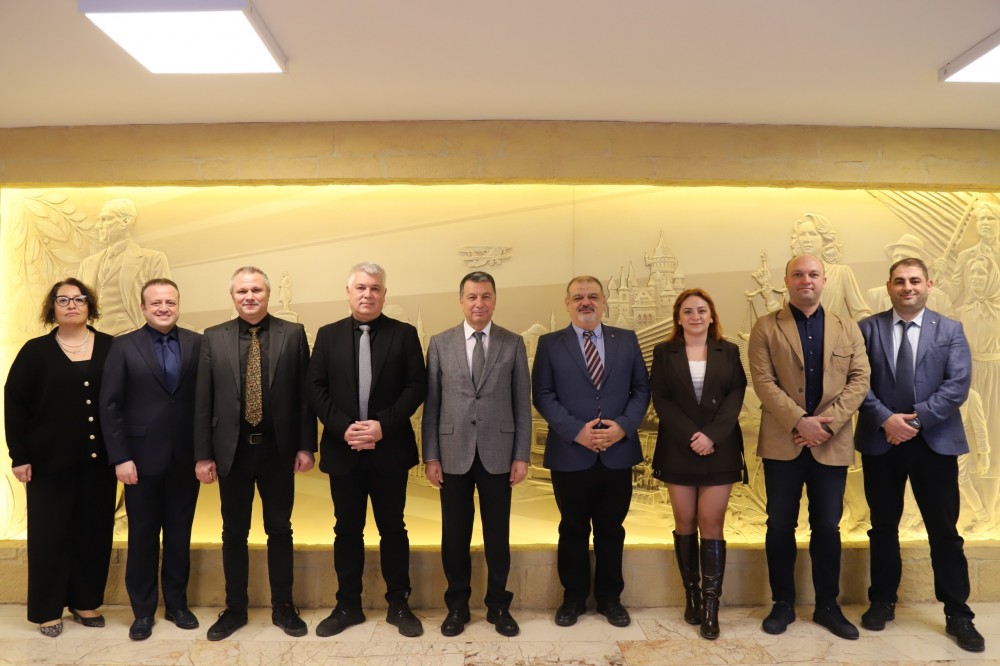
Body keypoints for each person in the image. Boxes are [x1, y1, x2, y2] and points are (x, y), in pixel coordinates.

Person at [855, 257, 984, 652]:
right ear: (889, 286)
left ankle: (958, 614)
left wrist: (914, 421)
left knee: (944, 532)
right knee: (882, 528)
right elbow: (857, 382)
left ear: (929, 285)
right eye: (899, 281)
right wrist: (886, 420)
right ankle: (882, 601)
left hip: (935, 443)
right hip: (882, 443)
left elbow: (957, 384)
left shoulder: (950, 329)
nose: (907, 287)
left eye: (914, 280)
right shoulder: (867, 329)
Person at [747, 254, 870, 639]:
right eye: (798, 274)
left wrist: (825, 426)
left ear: (824, 280)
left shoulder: (847, 327)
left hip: (831, 443)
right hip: (782, 442)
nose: (806, 280)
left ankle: (827, 606)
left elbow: (860, 379)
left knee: (827, 526)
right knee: (779, 525)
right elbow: (763, 382)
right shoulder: (766, 327)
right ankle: (782, 603)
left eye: (813, 274)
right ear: (786, 281)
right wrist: (800, 421)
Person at [193, 266, 316, 641]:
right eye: (242, 291)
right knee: (233, 532)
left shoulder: (293, 334)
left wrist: (306, 445)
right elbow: (203, 401)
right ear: (233, 296)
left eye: (257, 290)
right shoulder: (213, 337)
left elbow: (305, 398)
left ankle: (284, 606)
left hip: (278, 451)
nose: (250, 296)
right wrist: (203, 454)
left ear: (268, 294)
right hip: (232, 453)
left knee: (280, 529)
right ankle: (235, 608)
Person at [306, 262, 427, 638]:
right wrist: (345, 428)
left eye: (375, 288)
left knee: (393, 529)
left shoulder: (404, 335)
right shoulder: (327, 335)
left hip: (389, 450)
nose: (367, 294)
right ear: (348, 292)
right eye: (360, 288)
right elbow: (315, 388)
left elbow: (416, 386)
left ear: (384, 294)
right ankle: (348, 605)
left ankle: (399, 604)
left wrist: (381, 426)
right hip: (344, 451)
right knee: (346, 530)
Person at [532, 275, 650, 628]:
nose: (586, 302)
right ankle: (573, 599)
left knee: (612, 530)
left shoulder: (626, 340)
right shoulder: (550, 344)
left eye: (593, 296)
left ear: (604, 301)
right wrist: (576, 431)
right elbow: (543, 395)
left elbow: (641, 390)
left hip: (617, 453)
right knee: (572, 529)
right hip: (571, 454)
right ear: (567, 304)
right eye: (578, 297)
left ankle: (610, 599)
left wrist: (622, 427)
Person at [4, 279, 117, 637]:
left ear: (90, 305)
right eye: (63, 300)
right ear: (51, 308)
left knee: (94, 533)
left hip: (101, 463)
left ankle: (85, 602)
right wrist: (19, 456)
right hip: (47, 463)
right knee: (49, 536)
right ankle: (47, 610)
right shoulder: (35, 351)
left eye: (79, 299)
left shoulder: (112, 347)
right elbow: (14, 403)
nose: (71, 305)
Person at [422, 271, 531, 637]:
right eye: (472, 297)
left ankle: (499, 606)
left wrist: (521, 455)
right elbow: (432, 405)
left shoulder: (513, 343)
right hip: (452, 453)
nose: (479, 303)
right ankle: (457, 607)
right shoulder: (440, 343)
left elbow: (522, 403)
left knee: (498, 535)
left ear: (495, 300)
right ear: (461, 301)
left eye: (485, 296)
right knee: (454, 535)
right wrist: (431, 456)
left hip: (499, 453)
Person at [100, 278, 203, 640]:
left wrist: (204, 455)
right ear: (143, 308)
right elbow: (110, 406)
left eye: (170, 302)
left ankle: (177, 605)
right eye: (156, 302)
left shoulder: (198, 343)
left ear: (178, 305)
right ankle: (143, 612)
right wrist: (120, 457)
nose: (163, 308)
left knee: (179, 535)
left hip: (185, 459)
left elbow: (206, 402)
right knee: (142, 537)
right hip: (139, 461)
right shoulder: (123, 346)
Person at [649, 288, 746, 639]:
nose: (695, 316)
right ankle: (690, 595)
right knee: (685, 521)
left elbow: (736, 395)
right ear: (678, 317)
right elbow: (661, 398)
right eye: (688, 311)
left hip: (720, 447)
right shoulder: (663, 352)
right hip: (679, 446)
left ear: (711, 315)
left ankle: (710, 606)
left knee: (712, 523)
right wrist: (693, 435)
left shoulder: (729, 351)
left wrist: (711, 436)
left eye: (701, 310)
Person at [76, 199, 171, 335]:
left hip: (133, 338)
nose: (98, 225)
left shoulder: (152, 259)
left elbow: (163, 304)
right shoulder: (87, 264)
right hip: (93, 340)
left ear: (125, 221)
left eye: (105, 219)